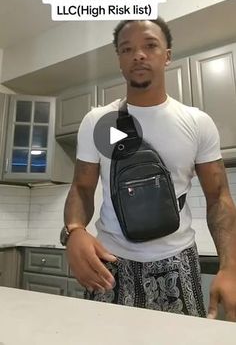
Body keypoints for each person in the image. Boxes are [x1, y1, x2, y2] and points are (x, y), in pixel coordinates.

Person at [62, 18, 236, 321]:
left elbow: (219, 196)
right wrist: (74, 231)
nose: (138, 55)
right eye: (127, 49)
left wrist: (230, 267)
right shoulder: (99, 121)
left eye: (150, 46)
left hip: (178, 262)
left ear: (167, 55)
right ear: (119, 61)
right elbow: (81, 187)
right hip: (110, 264)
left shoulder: (197, 122)